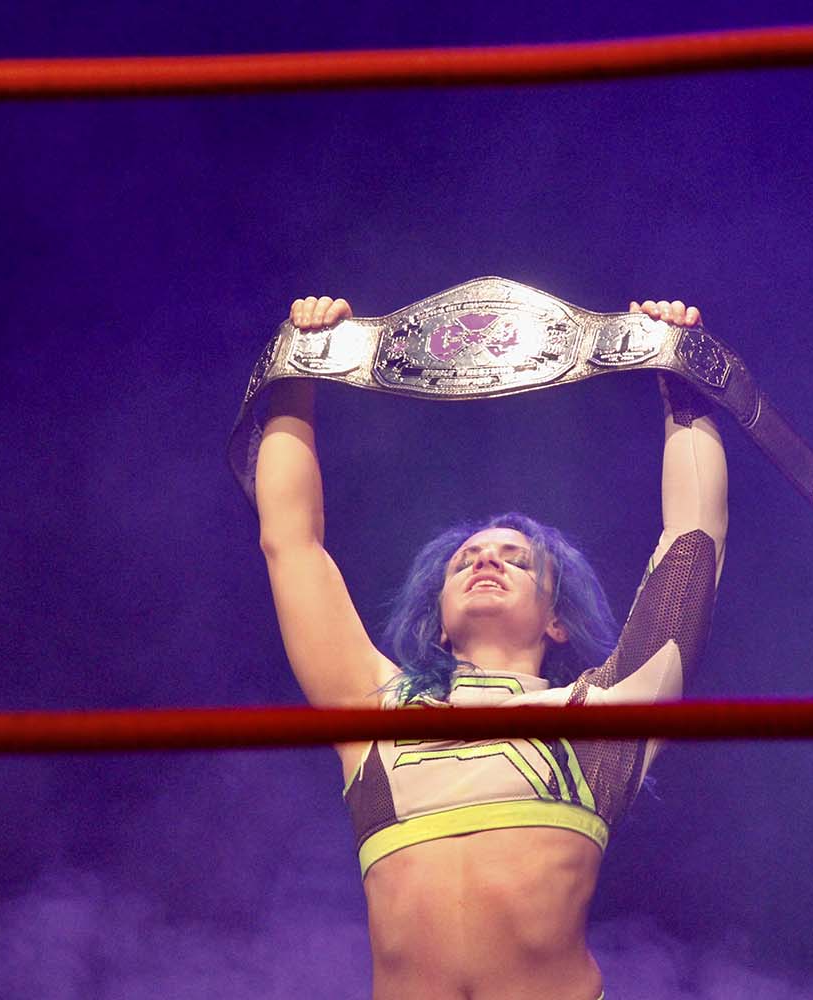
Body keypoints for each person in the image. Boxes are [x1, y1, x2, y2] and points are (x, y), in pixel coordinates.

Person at [256, 293, 728, 1000]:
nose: (486, 561)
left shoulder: (603, 721)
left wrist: (678, 370)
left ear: (555, 619)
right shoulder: (373, 711)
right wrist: (298, 364)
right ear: (440, 620)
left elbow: (694, 542)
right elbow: (290, 543)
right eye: (467, 558)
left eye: (514, 557)